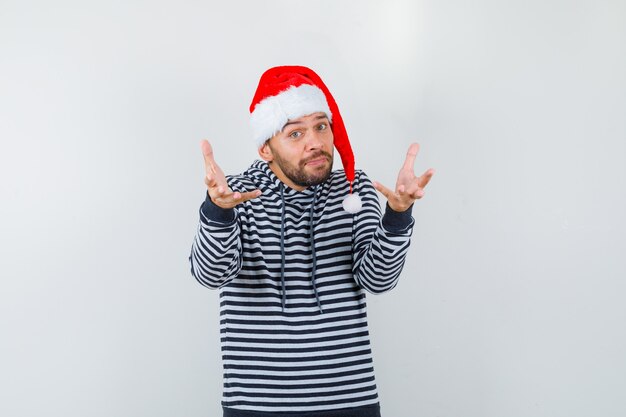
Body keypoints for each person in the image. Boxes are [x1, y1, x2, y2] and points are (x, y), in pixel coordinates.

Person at [189, 65, 434, 417]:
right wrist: (218, 213)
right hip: (257, 405)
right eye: (295, 134)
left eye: (321, 126)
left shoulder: (353, 190)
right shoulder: (235, 194)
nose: (315, 142)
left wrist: (397, 215)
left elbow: (378, 280)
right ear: (266, 149)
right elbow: (210, 275)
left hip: (350, 401)